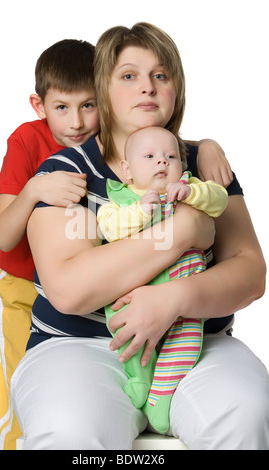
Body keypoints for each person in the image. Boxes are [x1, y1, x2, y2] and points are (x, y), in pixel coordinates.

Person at [11, 23, 269, 450]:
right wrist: (185, 228)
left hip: (194, 338)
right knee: (71, 429)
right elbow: (71, 289)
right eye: (128, 75)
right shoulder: (65, 171)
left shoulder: (202, 164)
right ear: (103, 90)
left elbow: (250, 271)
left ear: (175, 91)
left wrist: (175, 299)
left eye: (161, 76)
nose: (147, 88)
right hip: (82, 344)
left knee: (247, 411)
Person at [0, 39, 100, 450]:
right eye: (62, 107)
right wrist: (34, 188)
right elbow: (2, 236)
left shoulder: (110, 140)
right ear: (39, 105)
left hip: (75, 295)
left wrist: (208, 147)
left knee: (69, 402)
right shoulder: (26, 141)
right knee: (21, 398)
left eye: (89, 105)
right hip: (21, 288)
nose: (76, 121)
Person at [97, 126, 228, 433]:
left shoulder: (188, 188)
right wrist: (141, 212)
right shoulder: (121, 200)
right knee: (128, 336)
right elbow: (110, 229)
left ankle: (162, 397)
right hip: (134, 294)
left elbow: (219, 200)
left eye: (171, 156)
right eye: (150, 156)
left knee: (184, 344)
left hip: (183, 299)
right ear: (127, 170)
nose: (162, 162)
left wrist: (193, 192)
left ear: (182, 166)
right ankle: (139, 379)